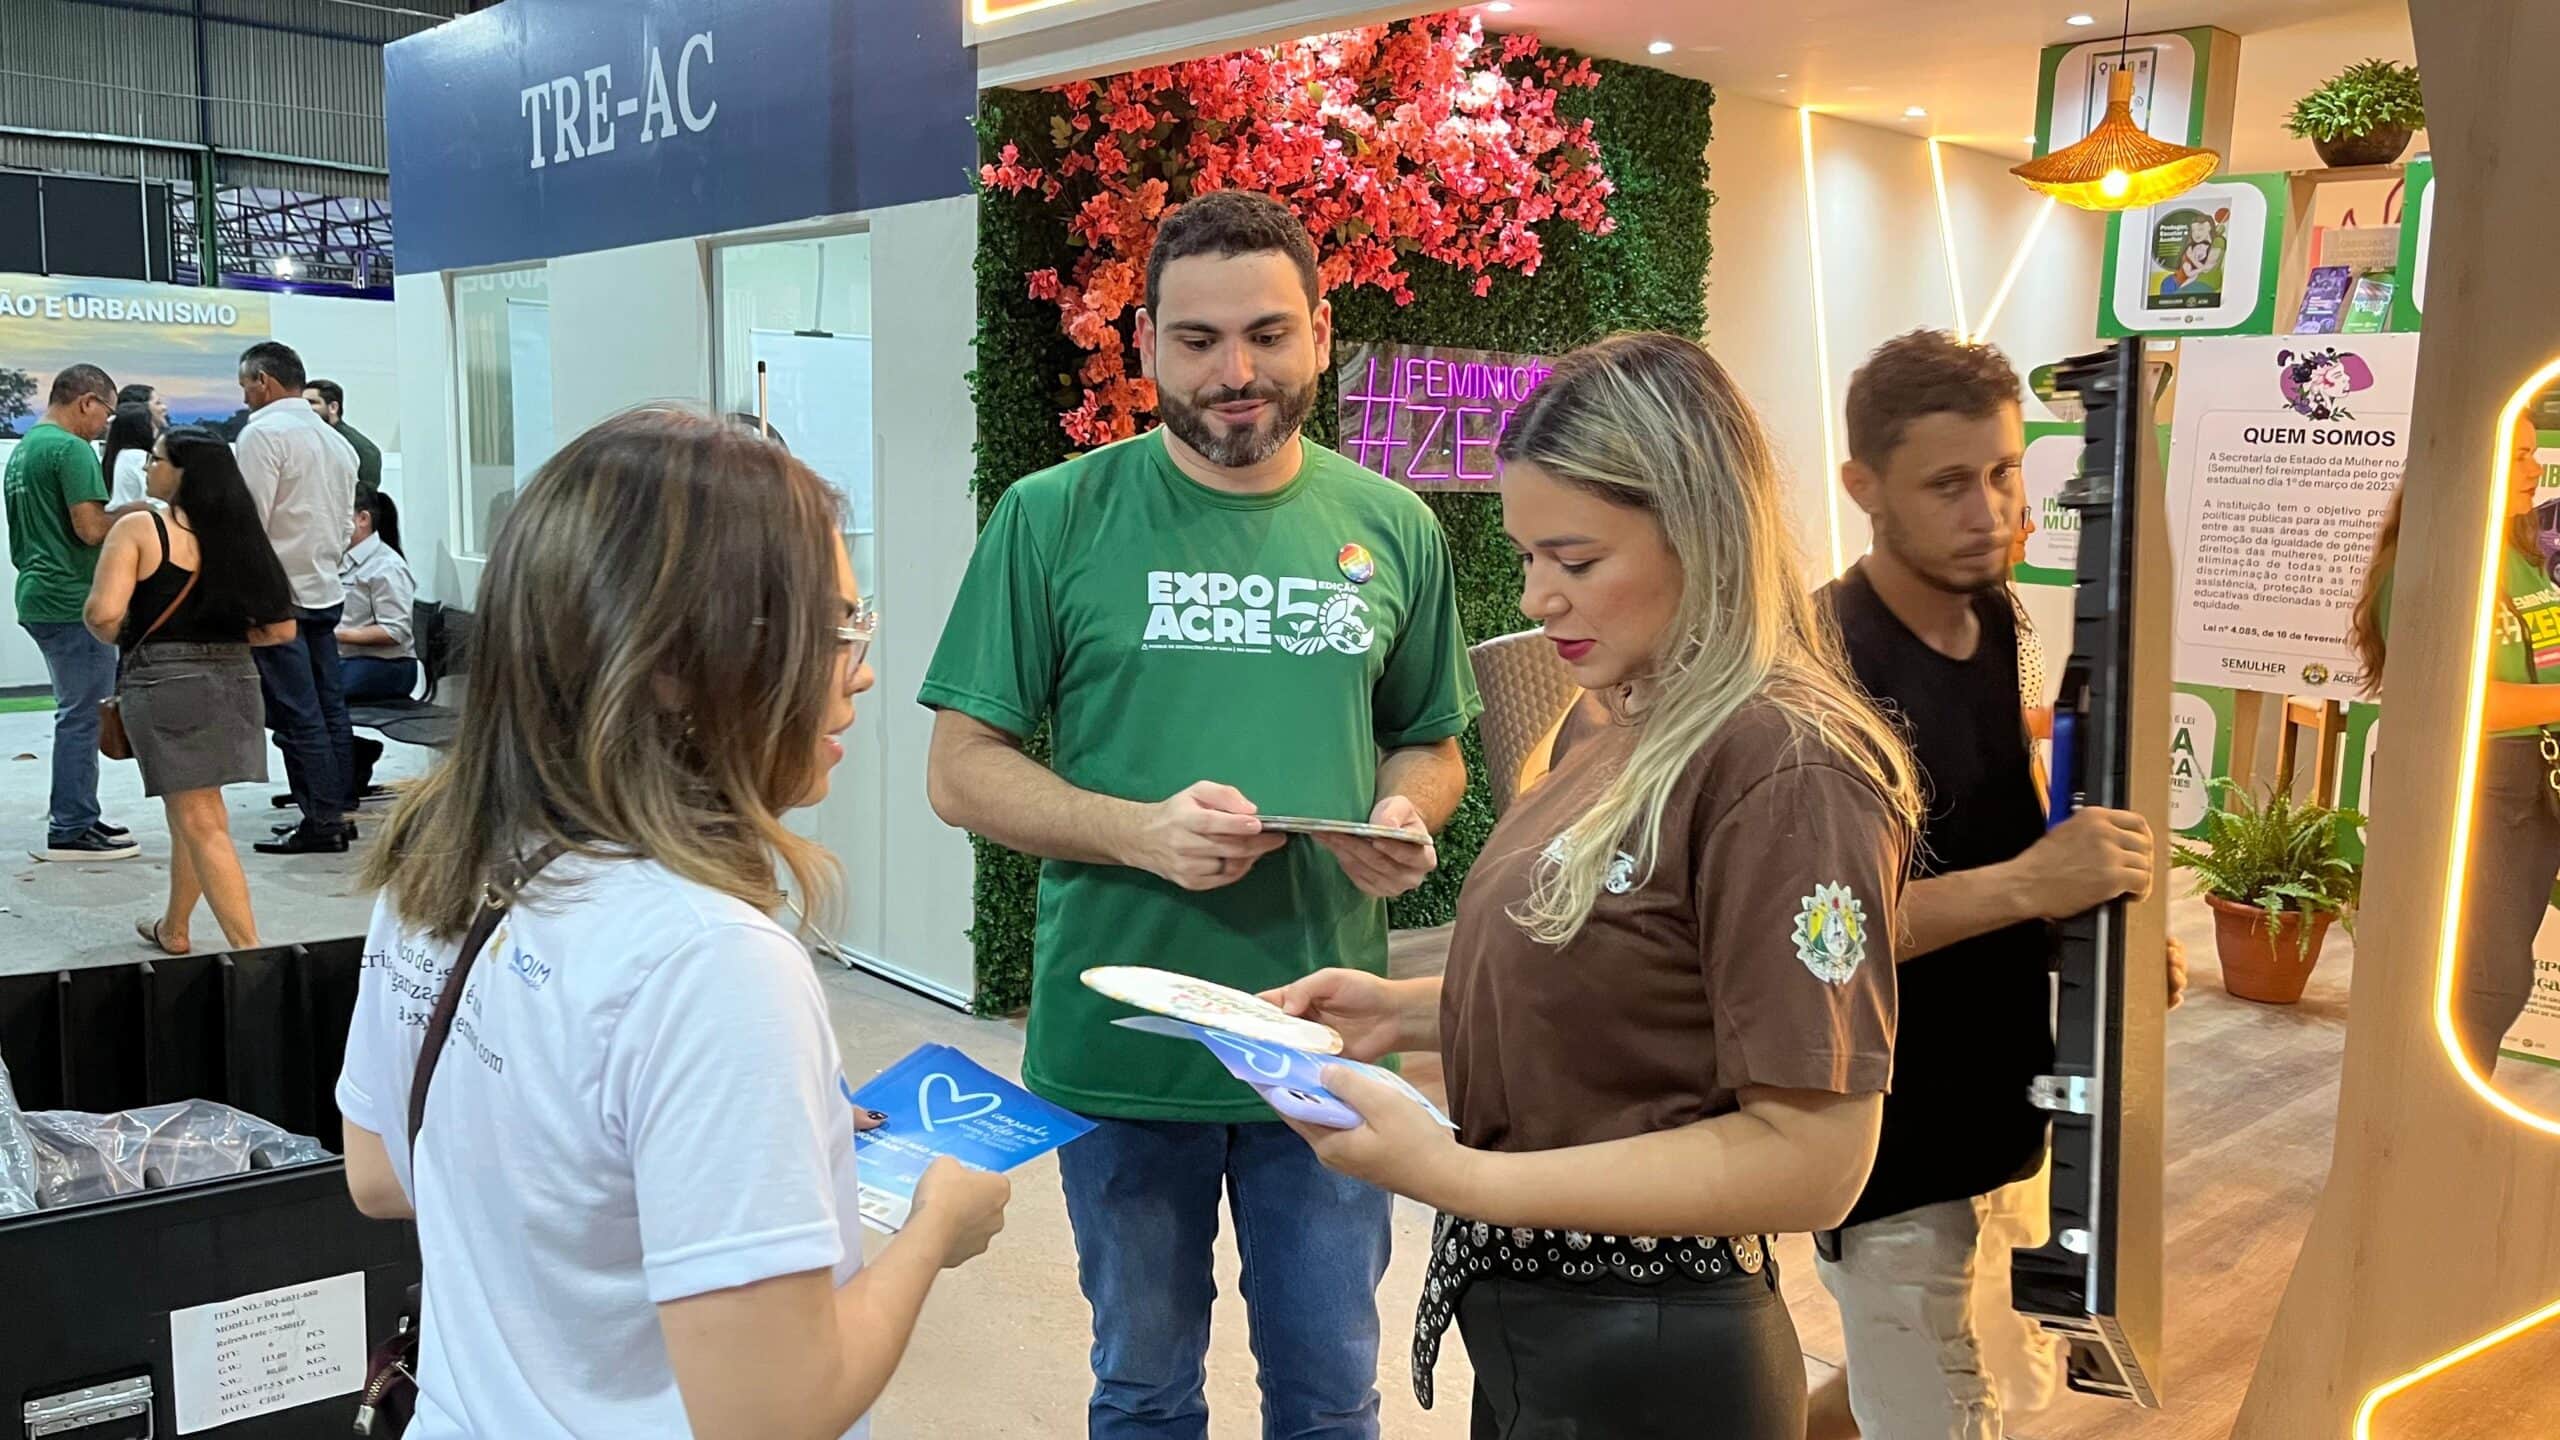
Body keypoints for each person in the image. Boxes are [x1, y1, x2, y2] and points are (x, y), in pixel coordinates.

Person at [1269, 331, 1920, 1440]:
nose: (1539, 598)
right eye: (1528, 558)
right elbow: (1631, 978)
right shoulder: (1618, 723)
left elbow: (1814, 1159)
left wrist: (1459, 1177)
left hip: (1657, 1356)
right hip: (1543, 1337)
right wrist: (1406, 1010)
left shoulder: (1785, 768)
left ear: (1700, 531)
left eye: (1574, 562)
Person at [920, 188, 1481, 1440]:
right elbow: (960, 769)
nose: (1235, 372)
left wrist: (1403, 810)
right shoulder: (1052, 516)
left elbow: (1431, 740)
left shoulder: (1391, 526)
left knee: (1330, 1398)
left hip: (1324, 1038)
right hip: (1120, 1042)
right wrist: (1139, 832)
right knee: (1142, 1391)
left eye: (1267, 334)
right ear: (1146, 345)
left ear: (1320, 333)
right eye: (1197, 339)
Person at [336, 407, 1005, 1438]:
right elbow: (772, 1416)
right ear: (678, 663)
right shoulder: (713, 962)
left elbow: (383, 1173)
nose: (862, 669)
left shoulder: (443, 858)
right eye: (835, 631)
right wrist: (933, 1229)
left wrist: (719, 1139)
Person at [1809, 331, 2171, 1440]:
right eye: (1948, 484)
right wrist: (2032, 883)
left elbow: (1994, 815)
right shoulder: (1824, 660)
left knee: (1925, 1380)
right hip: (1884, 1136)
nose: (1991, 511)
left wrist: (2089, 923)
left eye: (2005, 472)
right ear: (1863, 487)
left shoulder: (1996, 617)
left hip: (2002, 1098)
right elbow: (1818, 933)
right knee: (1939, 1405)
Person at [2352, 413, 2558, 1076]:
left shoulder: (2521, 556)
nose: (2535, 469)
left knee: (2498, 978)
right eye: (2518, 455)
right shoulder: (2429, 563)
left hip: (2535, 782)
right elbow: (2461, 700)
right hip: (2478, 784)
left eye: (2533, 454)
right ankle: (2434, 1118)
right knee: (2485, 981)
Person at [83, 427, 296, 954]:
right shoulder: (241, 536)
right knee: (197, 811)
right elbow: (280, 629)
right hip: (236, 680)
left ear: (183, 473)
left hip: (166, 682)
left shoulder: (142, 527)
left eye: (156, 459)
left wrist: (140, 637)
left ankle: (252, 954)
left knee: (201, 820)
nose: (148, 468)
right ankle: (174, 928)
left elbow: (103, 614)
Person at [4, 363, 137, 861]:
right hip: (72, 599)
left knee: (76, 711)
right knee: (82, 715)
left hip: (40, 593)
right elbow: (91, 529)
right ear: (86, 402)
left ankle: (79, 811)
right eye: (107, 413)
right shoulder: (72, 449)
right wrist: (140, 512)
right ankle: (72, 825)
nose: (105, 424)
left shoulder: (26, 450)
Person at [234, 340, 361, 855]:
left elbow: (248, 525)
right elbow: (345, 524)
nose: (244, 396)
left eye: (245, 385)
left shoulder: (262, 434)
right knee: (329, 708)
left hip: (277, 596)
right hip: (324, 588)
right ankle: (336, 811)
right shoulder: (337, 442)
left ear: (263, 381)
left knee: (295, 714)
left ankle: (321, 821)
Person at [336, 490, 416, 803]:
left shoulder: (386, 566)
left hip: (388, 667)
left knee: (310, 695)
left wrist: (335, 634)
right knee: (291, 696)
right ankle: (351, 755)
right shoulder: (341, 560)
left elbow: (395, 631)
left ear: (363, 519)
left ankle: (339, 782)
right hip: (352, 662)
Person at [304, 378, 384, 498]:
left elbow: (365, 497)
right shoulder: (306, 439)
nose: (305, 408)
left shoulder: (361, 448)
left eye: (312, 402)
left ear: (333, 407)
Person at [101, 402, 162, 513]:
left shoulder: (119, 455)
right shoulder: (138, 457)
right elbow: (155, 500)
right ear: (141, 428)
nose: (155, 427)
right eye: (151, 423)